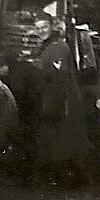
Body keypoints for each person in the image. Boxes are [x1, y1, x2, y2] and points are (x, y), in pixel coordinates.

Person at [35, 37, 90, 187]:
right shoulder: (55, 47)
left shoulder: (57, 48)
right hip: (61, 99)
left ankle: (67, 177)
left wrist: (49, 100)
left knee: (62, 140)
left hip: (61, 101)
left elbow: (58, 77)